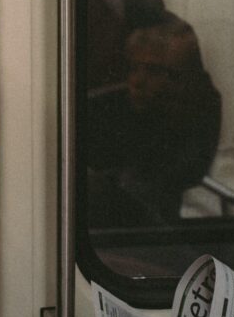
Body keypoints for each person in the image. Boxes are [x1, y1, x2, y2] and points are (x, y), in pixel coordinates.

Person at [86, 18, 221, 226]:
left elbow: (157, 189)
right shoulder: (110, 107)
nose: (137, 81)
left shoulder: (191, 118)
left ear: (183, 81)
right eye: (134, 68)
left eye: (154, 71)